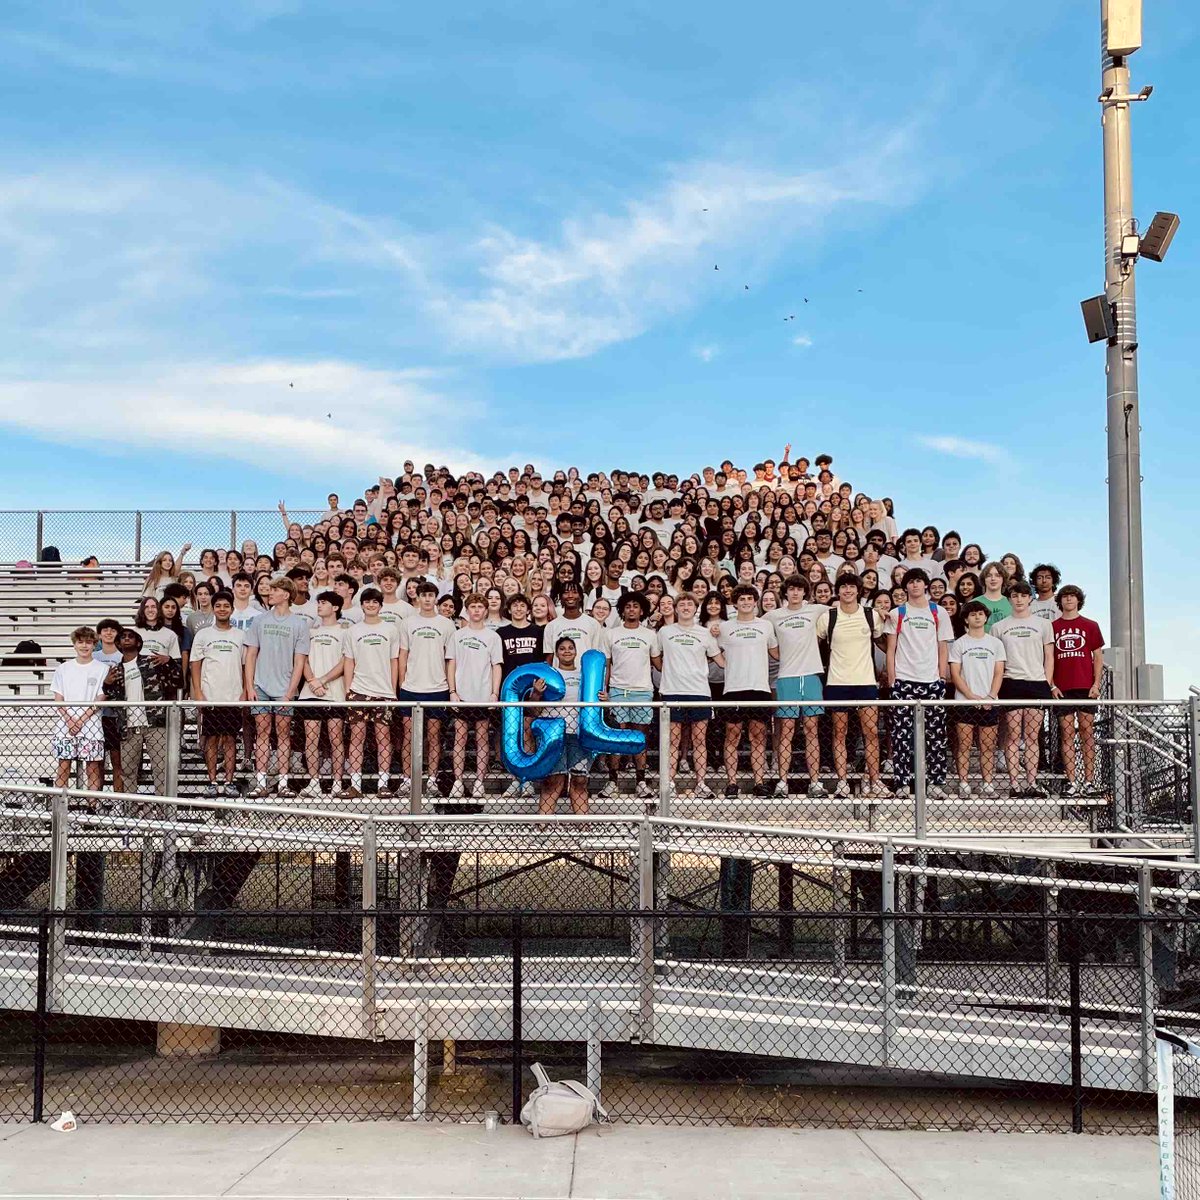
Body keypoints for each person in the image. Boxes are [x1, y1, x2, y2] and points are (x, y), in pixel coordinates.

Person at [884, 568, 954, 797]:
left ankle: (934, 783)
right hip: (904, 680)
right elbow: (891, 649)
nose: (915, 586)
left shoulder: (938, 612)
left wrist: (942, 677)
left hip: (931, 680)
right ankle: (903, 782)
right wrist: (893, 679)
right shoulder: (898, 613)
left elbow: (943, 646)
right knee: (902, 734)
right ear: (905, 587)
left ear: (925, 585)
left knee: (935, 734)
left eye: (918, 581)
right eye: (910, 582)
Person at [816, 576, 887, 798]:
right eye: (844, 587)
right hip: (837, 683)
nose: (848, 590)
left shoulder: (871, 615)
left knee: (871, 733)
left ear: (858, 591)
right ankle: (842, 782)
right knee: (840, 733)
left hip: (865, 682)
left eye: (852, 587)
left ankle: (875, 781)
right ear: (838, 591)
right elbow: (814, 645)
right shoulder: (828, 616)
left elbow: (885, 643)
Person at [242, 576, 310, 799]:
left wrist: (290, 693)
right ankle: (261, 783)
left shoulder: (299, 624)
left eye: (275, 589)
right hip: (261, 685)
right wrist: (250, 686)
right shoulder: (260, 621)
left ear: (287, 594)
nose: (270, 593)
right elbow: (251, 654)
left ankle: (282, 783)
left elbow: (300, 661)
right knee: (262, 733)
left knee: (283, 735)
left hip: (285, 688)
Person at [102, 627, 183, 798]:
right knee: (128, 772)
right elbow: (111, 699)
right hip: (128, 727)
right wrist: (107, 684)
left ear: (138, 643)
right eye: (122, 637)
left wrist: (169, 661)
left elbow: (177, 680)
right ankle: (130, 812)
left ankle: (165, 813)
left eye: (131, 636)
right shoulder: (115, 670)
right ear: (118, 644)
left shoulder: (152, 662)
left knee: (161, 770)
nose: (126, 639)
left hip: (155, 724)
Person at [714, 585, 779, 797]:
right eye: (741, 599)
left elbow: (776, 652)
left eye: (749, 599)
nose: (745, 602)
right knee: (732, 736)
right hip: (733, 688)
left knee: (758, 736)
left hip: (759, 687)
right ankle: (732, 783)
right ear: (735, 602)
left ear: (755, 601)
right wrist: (728, 664)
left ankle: (759, 782)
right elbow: (712, 650)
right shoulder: (724, 627)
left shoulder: (766, 626)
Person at [992, 581, 1055, 798]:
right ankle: (1014, 784)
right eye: (1014, 596)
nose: (1019, 599)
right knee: (1012, 735)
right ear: (1009, 599)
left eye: (1023, 595)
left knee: (1031, 736)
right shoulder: (999, 627)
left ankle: (1031, 782)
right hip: (1011, 681)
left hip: (1036, 683)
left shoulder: (1044, 624)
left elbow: (1049, 656)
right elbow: (997, 660)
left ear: (1030, 598)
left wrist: (1047, 682)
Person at [658, 592, 722, 798]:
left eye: (690, 604)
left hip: (699, 692)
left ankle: (701, 783)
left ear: (696, 609)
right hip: (672, 691)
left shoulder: (705, 634)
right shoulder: (665, 632)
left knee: (699, 740)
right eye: (682, 604)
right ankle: (668, 783)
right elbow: (655, 657)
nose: (686, 607)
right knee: (672, 740)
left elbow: (719, 660)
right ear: (675, 609)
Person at [768, 576, 827, 798]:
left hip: (811, 676)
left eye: (799, 589)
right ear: (786, 592)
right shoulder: (774, 616)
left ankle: (815, 782)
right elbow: (756, 627)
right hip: (787, 677)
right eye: (791, 589)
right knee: (787, 731)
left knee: (812, 730)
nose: (795, 593)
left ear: (805, 592)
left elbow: (844, 607)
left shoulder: (815, 609)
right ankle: (782, 782)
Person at [398, 581, 457, 799]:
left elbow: (450, 658)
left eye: (431, 595)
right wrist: (401, 683)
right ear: (418, 597)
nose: (427, 599)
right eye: (423, 595)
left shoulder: (446, 624)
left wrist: (450, 688)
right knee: (409, 737)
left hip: (437, 687)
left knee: (434, 736)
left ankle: (431, 779)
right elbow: (403, 654)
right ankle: (407, 779)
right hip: (411, 687)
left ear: (436, 598)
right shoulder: (407, 623)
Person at [601, 592, 659, 799]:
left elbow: (658, 664)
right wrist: (605, 689)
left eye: (636, 606)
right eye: (628, 606)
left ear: (642, 610)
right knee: (616, 738)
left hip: (642, 692)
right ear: (622, 610)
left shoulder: (650, 635)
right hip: (617, 692)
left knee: (639, 738)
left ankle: (641, 781)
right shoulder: (610, 634)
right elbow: (606, 665)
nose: (632, 609)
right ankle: (612, 781)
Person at [345, 587, 400, 798]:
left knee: (383, 738)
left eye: (375, 602)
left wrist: (392, 690)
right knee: (356, 737)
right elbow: (349, 662)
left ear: (380, 605)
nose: (371, 605)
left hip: (383, 692)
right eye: (367, 602)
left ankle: (383, 784)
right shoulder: (353, 631)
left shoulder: (391, 630)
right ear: (362, 605)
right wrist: (349, 690)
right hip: (359, 690)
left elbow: (393, 661)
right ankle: (355, 785)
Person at [189, 591, 245, 797]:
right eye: (218, 605)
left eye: (226, 606)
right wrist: (198, 693)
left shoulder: (240, 635)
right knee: (211, 740)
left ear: (232, 609)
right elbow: (195, 664)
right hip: (210, 696)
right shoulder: (204, 635)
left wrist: (245, 692)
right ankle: (212, 781)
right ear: (213, 609)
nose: (222, 609)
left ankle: (229, 781)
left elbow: (246, 665)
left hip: (233, 697)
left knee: (230, 739)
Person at [947, 601, 1006, 796]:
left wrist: (990, 696)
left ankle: (987, 783)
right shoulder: (959, 643)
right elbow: (955, 674)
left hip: (989, 702)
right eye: (973, 615)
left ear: (986, 617)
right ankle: (963, 783)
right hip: (964, 702)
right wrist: (971, 696)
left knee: (987, 746)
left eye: (981, 614)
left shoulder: (995, 643)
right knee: (964, 745)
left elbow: (999, 672)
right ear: (966, 619)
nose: (977, 617)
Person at [448, 593, 503, 799]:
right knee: (459, 739)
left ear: (486, 610)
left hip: (483, 695)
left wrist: (494, 693)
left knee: (482, 739)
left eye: (480, 606)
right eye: (473, 607)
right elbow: (451, 663)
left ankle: (480, 780)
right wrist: (453, 691)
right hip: (462, 694)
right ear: (467, 610)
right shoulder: (457, 635)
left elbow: (496, 666)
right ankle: (458, 781)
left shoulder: (493, 637)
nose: (477, 610)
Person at [1051, 585, 1105, 796]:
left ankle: (1089, 781)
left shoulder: (1090, 625)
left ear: (1078, 600)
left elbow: (1098, 657)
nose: (1069, 600)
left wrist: (1096, 684)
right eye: (1065, 597)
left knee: (1087, 731)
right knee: (1066, 733)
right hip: (1063, 688)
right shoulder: (1053, 627)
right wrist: (1053, 684)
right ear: (1060, 601)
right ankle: (1072, 781)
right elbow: (1048, 658)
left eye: (1072, 597)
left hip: (1085, 686)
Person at [298, 590, 350, 798]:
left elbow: (345, 661)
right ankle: (314, 782)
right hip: (310, 693)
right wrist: (312, 681)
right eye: (318, 602)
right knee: (311, 739)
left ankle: (337, 783)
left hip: (334, 693)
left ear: (335, 607)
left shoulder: (345, 631)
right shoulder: (310, 632)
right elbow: (304, 660)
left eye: (324, 602)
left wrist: (323, 680)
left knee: (335, 738)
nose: (319, 606)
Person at [533, 636, 594, 814]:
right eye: (562, 648)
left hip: (578, 733)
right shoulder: (548, 675)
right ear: (556, 653)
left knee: (580, 780)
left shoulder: (585, 676)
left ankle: (584, 828)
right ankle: (542, 827)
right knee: (553, 780)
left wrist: (602, 698)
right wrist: (536, 693)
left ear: (576, 652)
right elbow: (533, 709)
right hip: (552, 735)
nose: (566, 651)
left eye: (570, 648)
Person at [51, 627, 109, 794]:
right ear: (74, 644)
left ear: (94, 644)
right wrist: (70, 720)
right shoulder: (63, 668)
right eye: (80, 642)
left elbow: (101, 698)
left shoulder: (102, 669)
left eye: (88, 642)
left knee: (93, 769)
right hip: (65, 727)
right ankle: (60, 807)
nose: (84, 646)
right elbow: (58, 699)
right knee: (63, 767)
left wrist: (82, 719)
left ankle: (91, 809)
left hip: (92, 727)